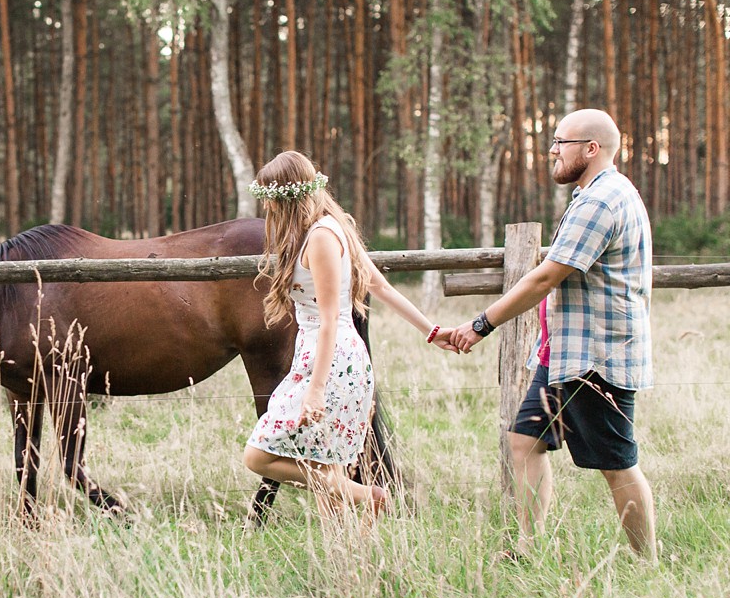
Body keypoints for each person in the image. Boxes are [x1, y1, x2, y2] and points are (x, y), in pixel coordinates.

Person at [447, 108, 656, 561]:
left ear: (591, 148)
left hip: (595, 358)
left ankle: (648, 564)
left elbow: (545, 278)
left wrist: (480, 324)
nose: (552, 152)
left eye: (560, 142)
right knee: (525, 441)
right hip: (565, 356)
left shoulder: (602, 201)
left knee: (617, 466)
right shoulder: (593, 195)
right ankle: (529, 548)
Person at [243, 151, 458, 523]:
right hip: (325, 356)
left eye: (270, 200)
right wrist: (432, 331)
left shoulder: (322, 238)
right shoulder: (324, 227)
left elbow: (330, 318)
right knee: (328, 474)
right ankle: (352, 566)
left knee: (258, 456)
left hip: (332, 362)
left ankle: (371, 496)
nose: (267, 210)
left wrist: (316, 389)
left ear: (286, 198)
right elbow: (383, 287)